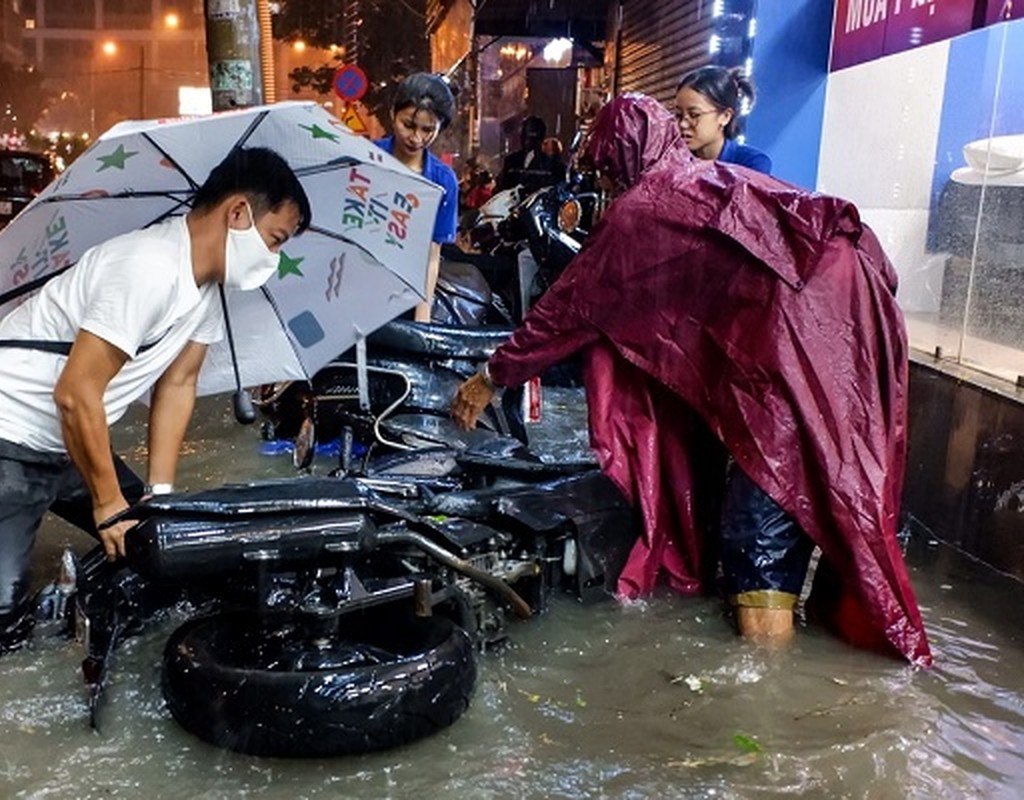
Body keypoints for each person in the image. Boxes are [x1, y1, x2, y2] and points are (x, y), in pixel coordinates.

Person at [450, 94, 931, 665]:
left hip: (802, 354)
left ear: (624, 155)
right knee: (818, 498)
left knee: (758, 527)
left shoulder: (643, 209)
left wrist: (489, 378)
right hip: (850, 336)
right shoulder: (707, 182)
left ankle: (766, 701)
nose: (605, 183)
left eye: (606, 168)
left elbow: (567, 309)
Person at [0, 147, 311, 660]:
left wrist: (157, 498)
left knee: (161, 550)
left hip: (68, 438)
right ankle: (31, 617)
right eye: (276, 240)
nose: (272, 257)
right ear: (239, 213)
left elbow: (178, 385)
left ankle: (73, 604)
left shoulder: (205, 287)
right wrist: (111, 505)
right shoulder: (147, 266)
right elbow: (75, 393)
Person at [374, 72, 460, 323]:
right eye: (408, 125)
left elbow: (432, 257)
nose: (416, 138)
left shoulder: (443, 182)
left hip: (404, 297)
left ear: (440, 127)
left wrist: (422, 319)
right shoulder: (366, 158)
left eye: (427, 130)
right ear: (393, 114)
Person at [674, 66, 772, 174]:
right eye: (678, 115)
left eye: (694, 115)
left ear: (725, 116)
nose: (683, 124)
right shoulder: (676, 162)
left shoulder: (751, 163)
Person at [497, 116, 565, 194]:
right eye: (525, 136)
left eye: (532, 137)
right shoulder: (511, 160)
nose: (527, 141)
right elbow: (501, 190)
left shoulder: (554, 166)